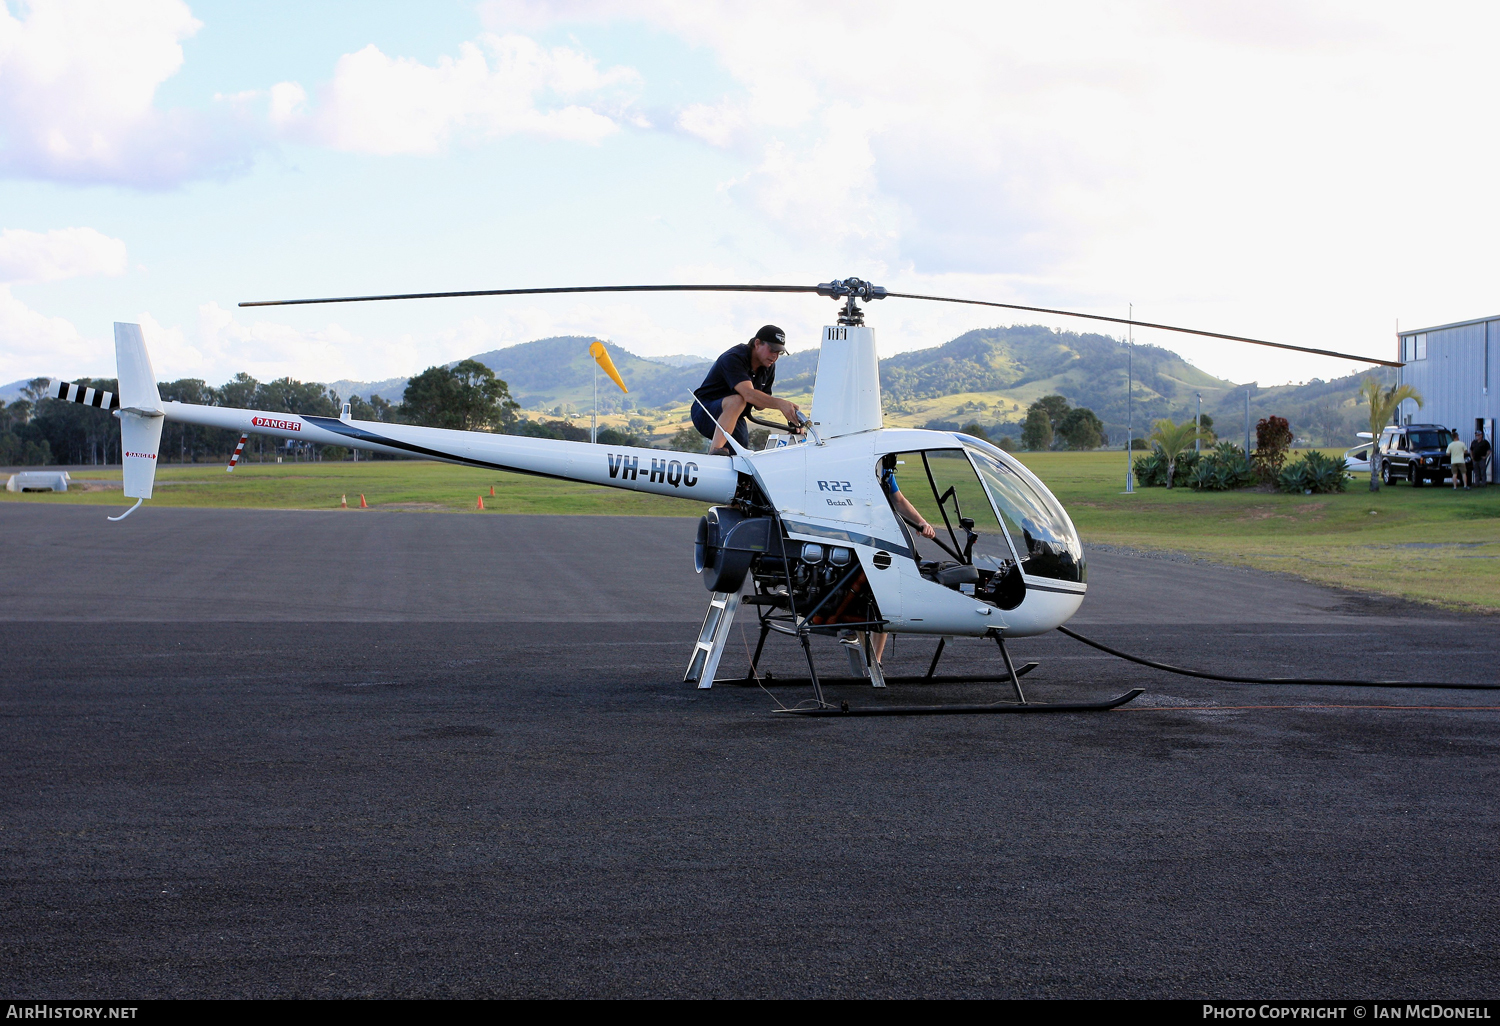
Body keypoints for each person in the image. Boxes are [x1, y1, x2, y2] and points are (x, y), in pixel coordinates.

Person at [691, 325, 801, 455]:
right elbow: (748, 395)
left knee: (741, 456)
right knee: (738, 400)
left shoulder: (769, 366)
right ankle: (714, 452)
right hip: (705, 412)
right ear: (757, 343)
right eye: (772, 350)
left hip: (735, 417)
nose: (775, 356)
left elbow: (759, 405)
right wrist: (780, 404)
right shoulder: (733, 357)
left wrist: (793, 419)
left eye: (779, 352)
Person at [871, 454, 936, 665]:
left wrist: (922, 523)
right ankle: (854, 636)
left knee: (887, 595)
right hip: (862, 537)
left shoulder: (885, 473)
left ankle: (876, 659)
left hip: (882, 537)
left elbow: (898, 499)